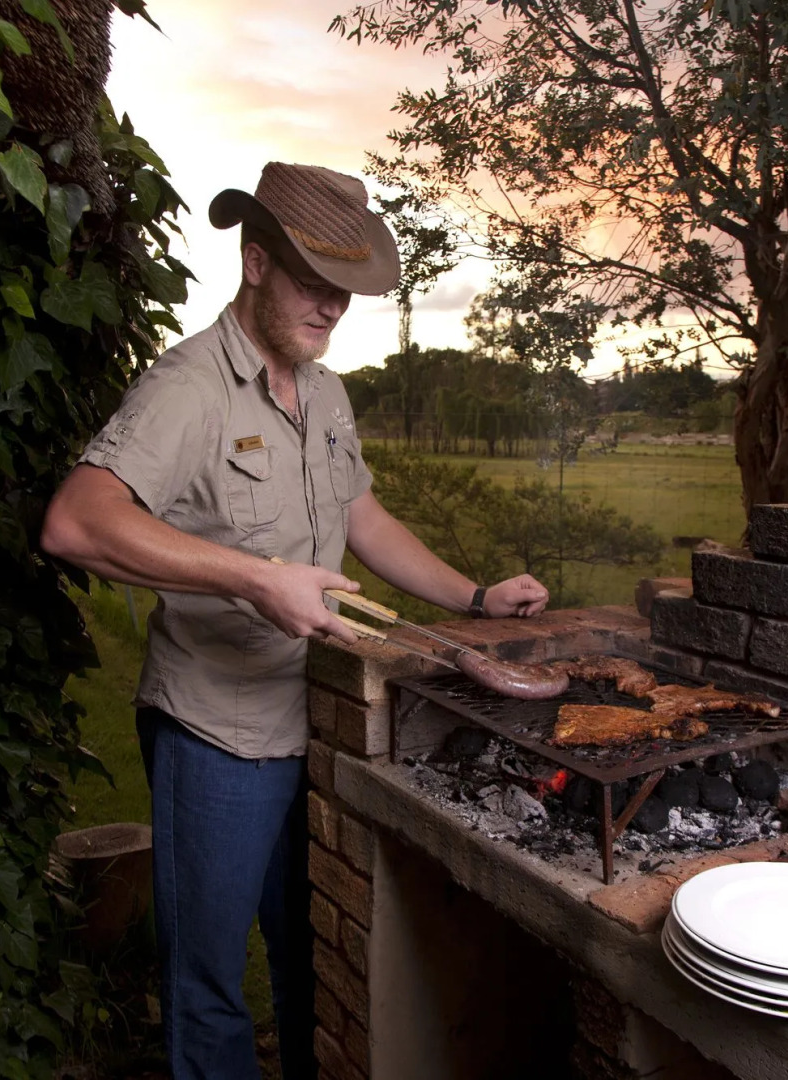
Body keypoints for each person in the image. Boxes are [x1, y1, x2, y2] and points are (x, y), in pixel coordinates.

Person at [39, 162, 549, 1080]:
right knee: (208, 980)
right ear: (257, 261)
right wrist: (255, 580)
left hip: (317, 720)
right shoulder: (188, 388)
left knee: (315, 950)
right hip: (216, 735)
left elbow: (363, 518)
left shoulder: (326, 392)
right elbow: (77, 522)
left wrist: (474, 598)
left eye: (345, 289)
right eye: (315, 281)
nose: (332, 307)